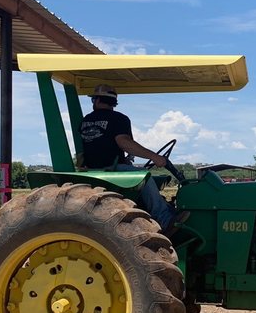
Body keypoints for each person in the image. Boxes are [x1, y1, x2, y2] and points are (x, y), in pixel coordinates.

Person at [79, 84, 189, 235]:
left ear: (96, 100)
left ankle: (156, 214)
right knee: (144, 176)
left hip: (93, 169)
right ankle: (164, 218)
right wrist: (154, 157)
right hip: (111, 169)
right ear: (113, 102)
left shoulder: (86, 120)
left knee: (146, 177)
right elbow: (124, 142)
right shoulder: (119, 119)